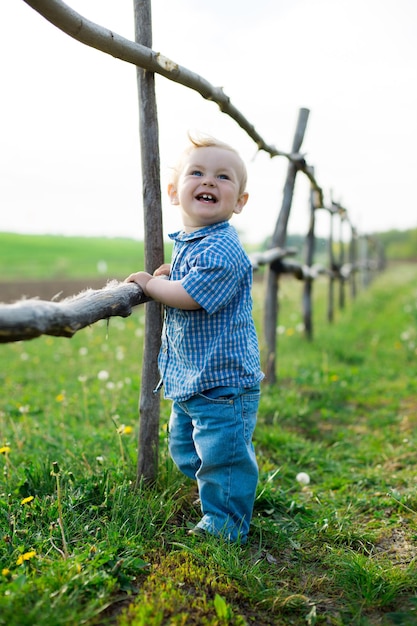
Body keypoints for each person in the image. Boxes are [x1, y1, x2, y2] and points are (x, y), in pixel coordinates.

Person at [125, 134, 263, 543]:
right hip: (193, 379)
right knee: (187, 450)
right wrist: (168, 274)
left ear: (239, 201)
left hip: (223, 383)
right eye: (197, 172)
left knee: (222, 458)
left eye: (223, 177)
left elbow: (189, 297)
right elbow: (184, 279)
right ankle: (226, 492)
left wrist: (153, 286)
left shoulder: (223, 248)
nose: (209, 181)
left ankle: (225, 526)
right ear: (174, 191)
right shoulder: (193, 242)